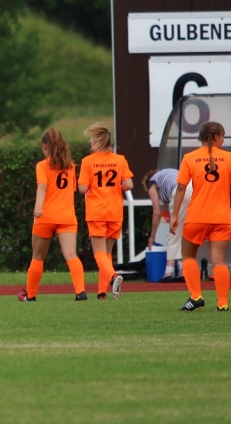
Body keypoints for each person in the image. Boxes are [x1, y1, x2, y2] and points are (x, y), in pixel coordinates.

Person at [172, 122, 231, 312]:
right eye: (224, 137)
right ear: (217, 137)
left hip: (197, 216)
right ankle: (223, 303)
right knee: (218, 261)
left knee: (187, 256)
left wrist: (175, 215)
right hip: (221, 217)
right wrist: (228, 205)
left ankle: (196, 297)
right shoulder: (229, 158)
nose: (224, 141)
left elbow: (180, 188)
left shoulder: (190, 158)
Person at [19, 128, 88, 302]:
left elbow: (42, 186)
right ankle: (81, 292)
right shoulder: (71, 166)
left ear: (45, 146)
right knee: (71, 255)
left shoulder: (42, 165)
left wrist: (38, 208)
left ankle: (31, 295)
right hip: (67, 216)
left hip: (46, 216)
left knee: (37, 256)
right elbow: (72, 189)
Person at [78, 123, 133, 300]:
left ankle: (114, 277)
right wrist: (116, 187)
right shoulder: (120, 160)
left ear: (97, 141)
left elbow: (82, 188)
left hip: (96, 210)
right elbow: (129, 185)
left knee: (99, 253)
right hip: (115, 210)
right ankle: (102, 293)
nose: (90, 143)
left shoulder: (88, 161)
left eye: (92, 140)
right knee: (107, 253)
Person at [143, 168, 191, 280]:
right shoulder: (169, 173)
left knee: (173, 233)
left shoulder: (152, 182)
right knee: (185, 233)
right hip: (193, 189)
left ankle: (168, 273)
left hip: (180, 191)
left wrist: (152, 236)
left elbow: (157, 212)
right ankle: (184, 270)